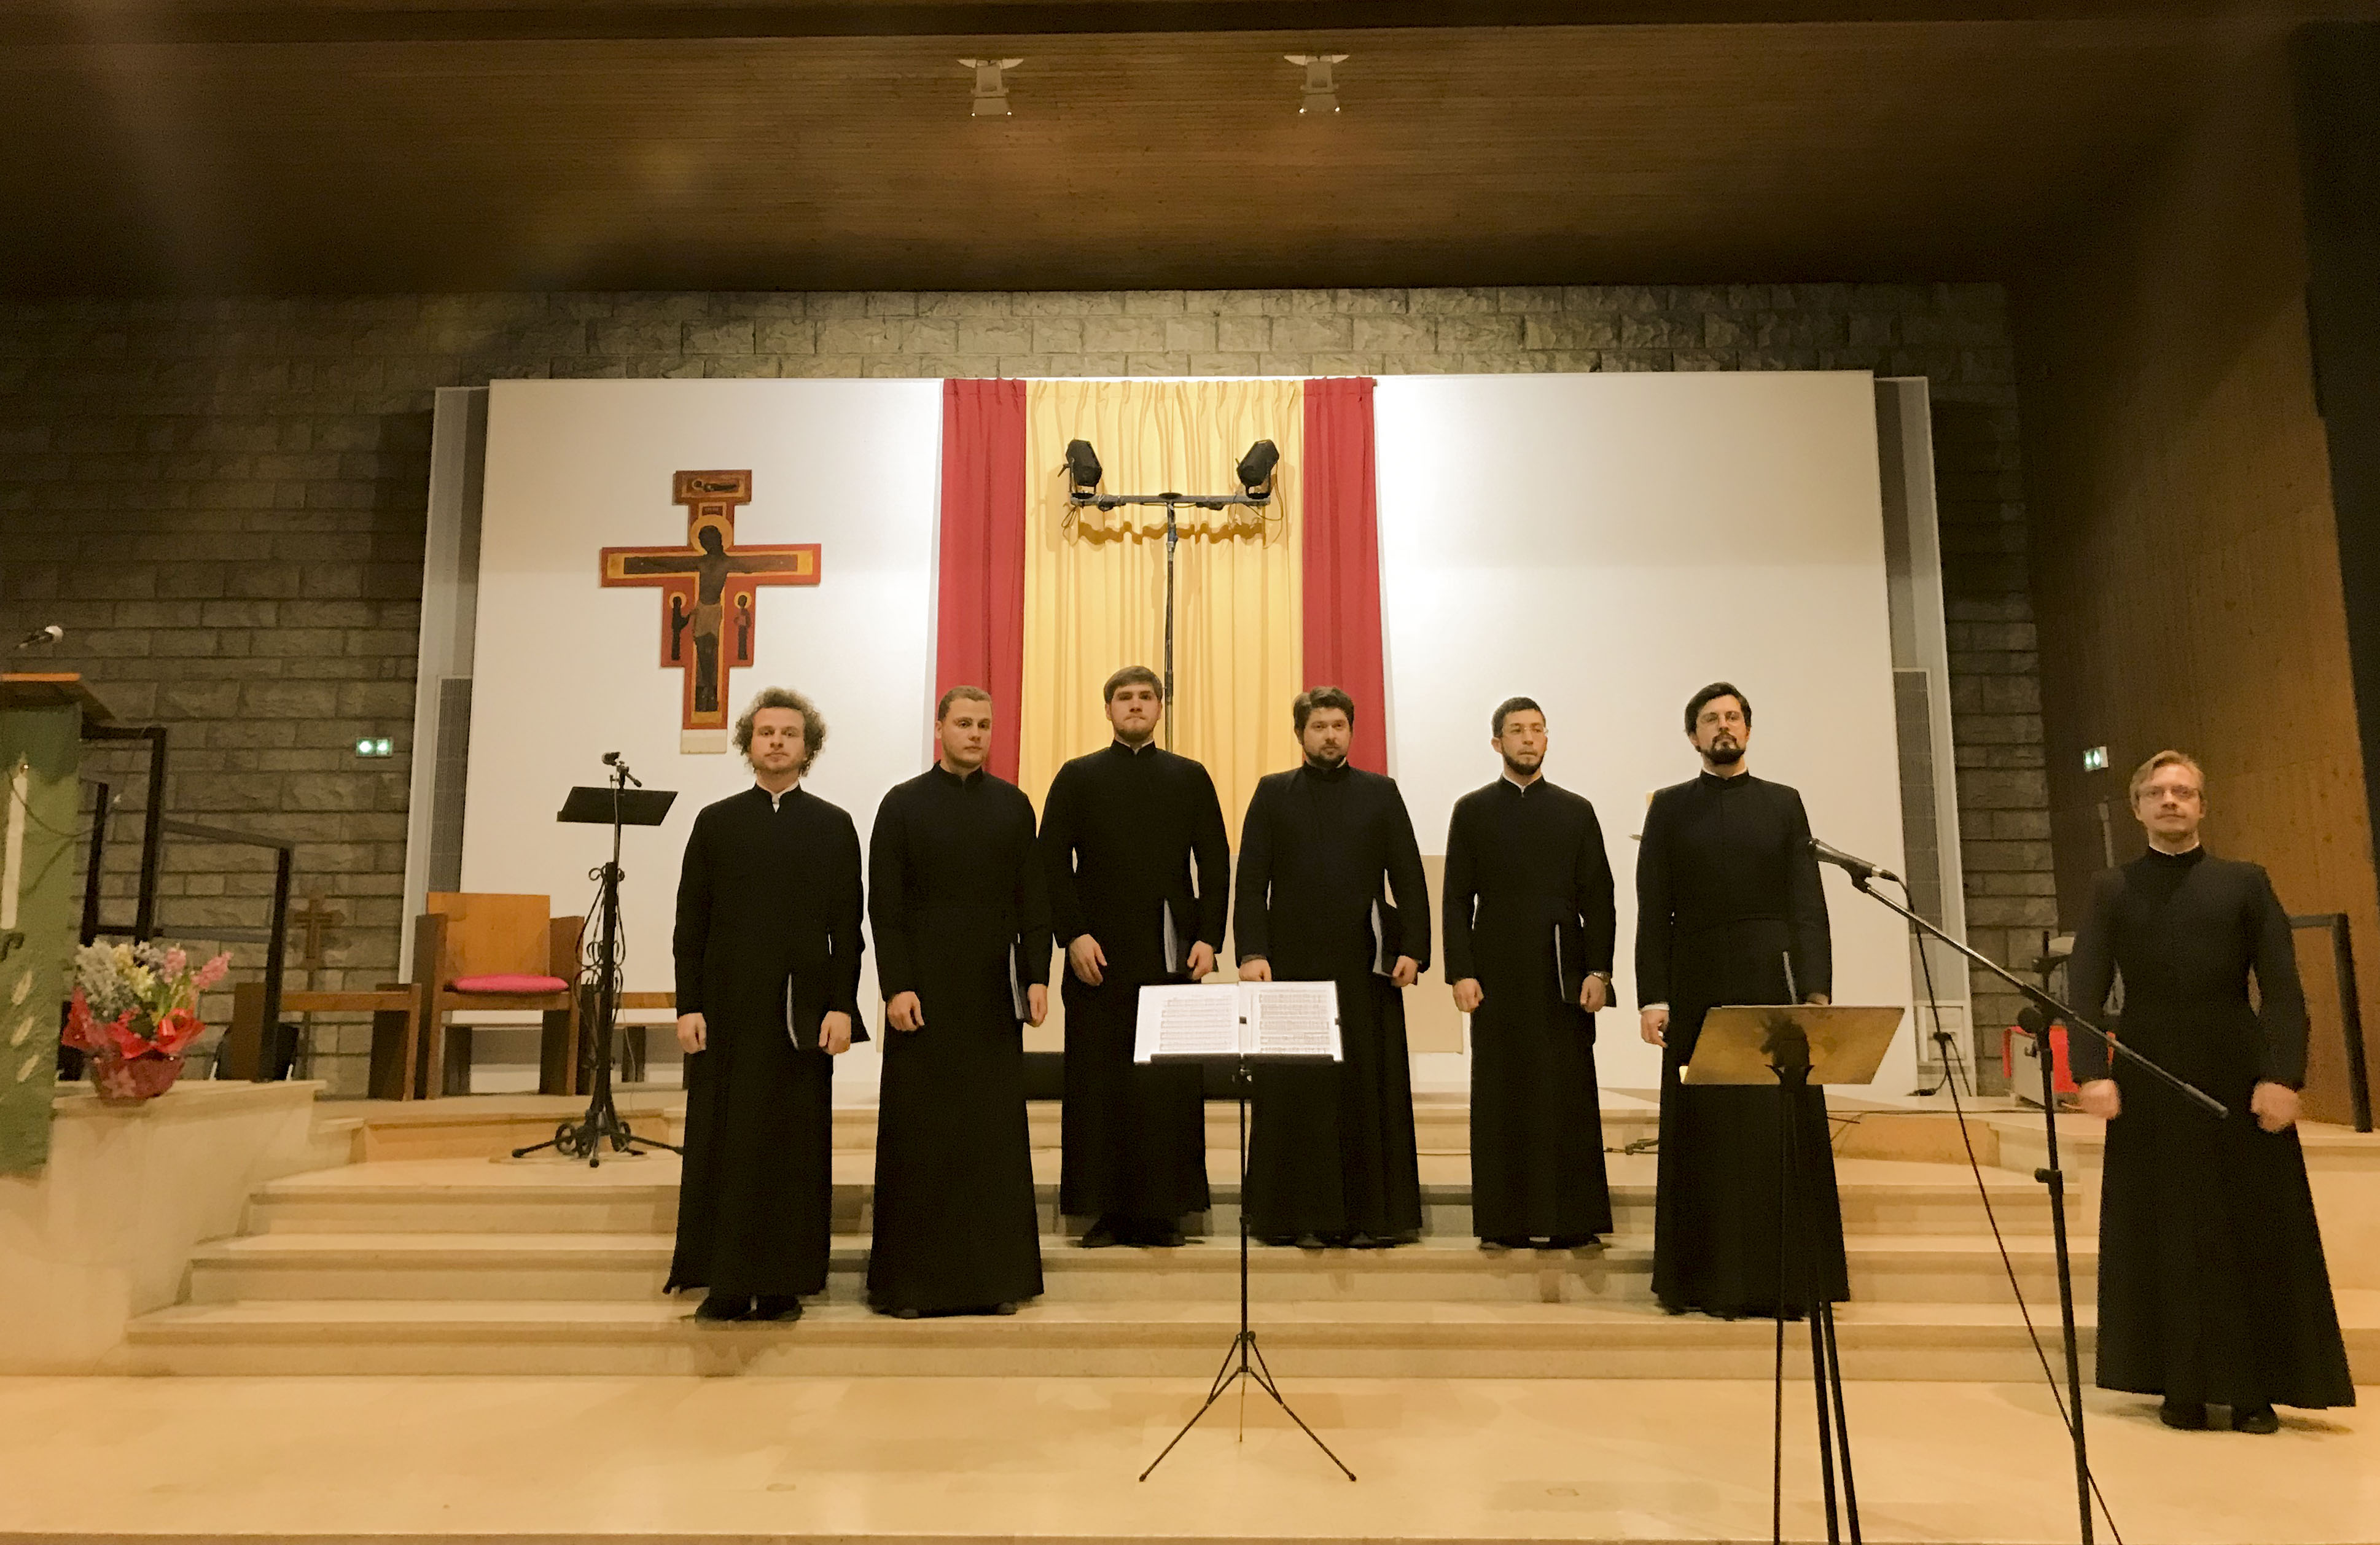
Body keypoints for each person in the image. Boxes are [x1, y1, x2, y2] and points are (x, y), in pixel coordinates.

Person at [2068, 750, 2355, 1432]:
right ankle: (2180, 1384)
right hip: (2146, 1071)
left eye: (2183, 791)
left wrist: (2283, 1075)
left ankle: (2254, 1388)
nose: (2170, 801)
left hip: (2236, 1068)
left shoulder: (2244, 882)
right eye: (2157, 791)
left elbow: (2282, 987)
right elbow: (2082, 984)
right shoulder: (2112, 887)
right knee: (2162, 1229)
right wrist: (2090, 1069)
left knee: (2249, 1228)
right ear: (2137, 806)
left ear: (2202, 806)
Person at [1636, 681, 1844, 1319]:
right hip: (1695, 981)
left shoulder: (1784, 804)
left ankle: (1786, 1278)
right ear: (1692, 735)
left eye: (1732, 717)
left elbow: (1806, 899)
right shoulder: (1668, 808)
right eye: (1709, 719)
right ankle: (1704, 1279)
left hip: (1770, 978)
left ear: (1747, 730)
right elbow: (1653, 909)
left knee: (1773, 1126)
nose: (1722, 727)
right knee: (1707, 1127)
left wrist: (1814, 987)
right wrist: (1653, 996)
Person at [668, 687, 865, 1323]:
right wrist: (688, 1004)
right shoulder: (716, 821)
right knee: (723, 1141)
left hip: (799, 1015)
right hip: (726, 1010)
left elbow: (847, 929)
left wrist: (841, 1007)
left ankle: (782, 1281)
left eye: (789, 733)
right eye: (765, 732)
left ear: (808, 747)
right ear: (748, 744)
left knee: (792, 1145)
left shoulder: (833, 825)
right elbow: (689, 925)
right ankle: (724, 1280)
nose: (776, 741)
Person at [865, 686, 1051, 1318]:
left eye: (984, 724)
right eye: (963, 722)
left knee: (989, 1135)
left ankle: (994, 1278)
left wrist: (1035, 976)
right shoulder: (902, 805)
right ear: (939, 726)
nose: (974, 733)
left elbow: (1033, 899)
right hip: (922, 993)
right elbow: (884, 908)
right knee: (921, 1133)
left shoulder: (1013, 806)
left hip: (990, 994)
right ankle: (911, 1285)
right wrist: (896, 985)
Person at [1039, 665, 1231, 1248]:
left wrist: (1208, 938)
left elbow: (1216, 862)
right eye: (1124, 698)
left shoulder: (1190, 777)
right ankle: (1104, 1209)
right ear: (1108, 710)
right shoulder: (1077, 777)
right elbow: (1050, 863)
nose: (1136, 706)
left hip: (1170, 950)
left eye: (1146, 697)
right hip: (1096, 953)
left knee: (1165, 1081)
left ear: (1161, 708)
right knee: (1098, 1082)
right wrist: (1072, 935)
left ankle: (1164, 1208)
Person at [1236, 687, 1430, 1248]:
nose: (1329, 735)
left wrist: (1412, 949)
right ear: (1300, 734)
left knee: (1367, 1087)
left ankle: (1375, 1216)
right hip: (1292, 968)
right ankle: (1293, 1215)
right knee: (1298, 1090)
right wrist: (1252, 953)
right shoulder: (1273, 794)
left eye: (1339, 726)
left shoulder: (1381, 793)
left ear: (1351, 731)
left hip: (1364, 964)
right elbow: (1251, 880)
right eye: (1318, 726)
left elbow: (1409, 877)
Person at [1443, 696, 1617, 1251]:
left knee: (1566, 1092)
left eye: (1536, 730)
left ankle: (1572, 1217)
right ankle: (1504, 1218)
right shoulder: (1470, 811)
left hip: (1563, 971)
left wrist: (1600, 970)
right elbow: (1454, 899)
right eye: (1516, 731)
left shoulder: (1576, 810)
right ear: (1497, 743)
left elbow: (1601, 898)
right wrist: (1460, 973)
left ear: (1546, 741)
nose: (1527, 739)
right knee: (1501, 1093)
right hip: (1495, 970)